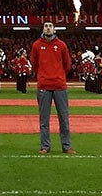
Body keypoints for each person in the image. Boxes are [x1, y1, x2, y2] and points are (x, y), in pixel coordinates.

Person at [30, 21, 72, 155]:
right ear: (43, 29)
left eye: (50, 26)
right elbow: (34, 64)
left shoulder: (61, 45)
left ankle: (66, 146)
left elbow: (67, 65)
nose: (48, 28)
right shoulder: (36, 45)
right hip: (44, 86)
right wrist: (43, 76)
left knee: (64, 118)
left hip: (60, 86)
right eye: (46, 26)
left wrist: (58, 76)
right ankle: (45, 146)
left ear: (54, 29)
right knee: (44, 119)